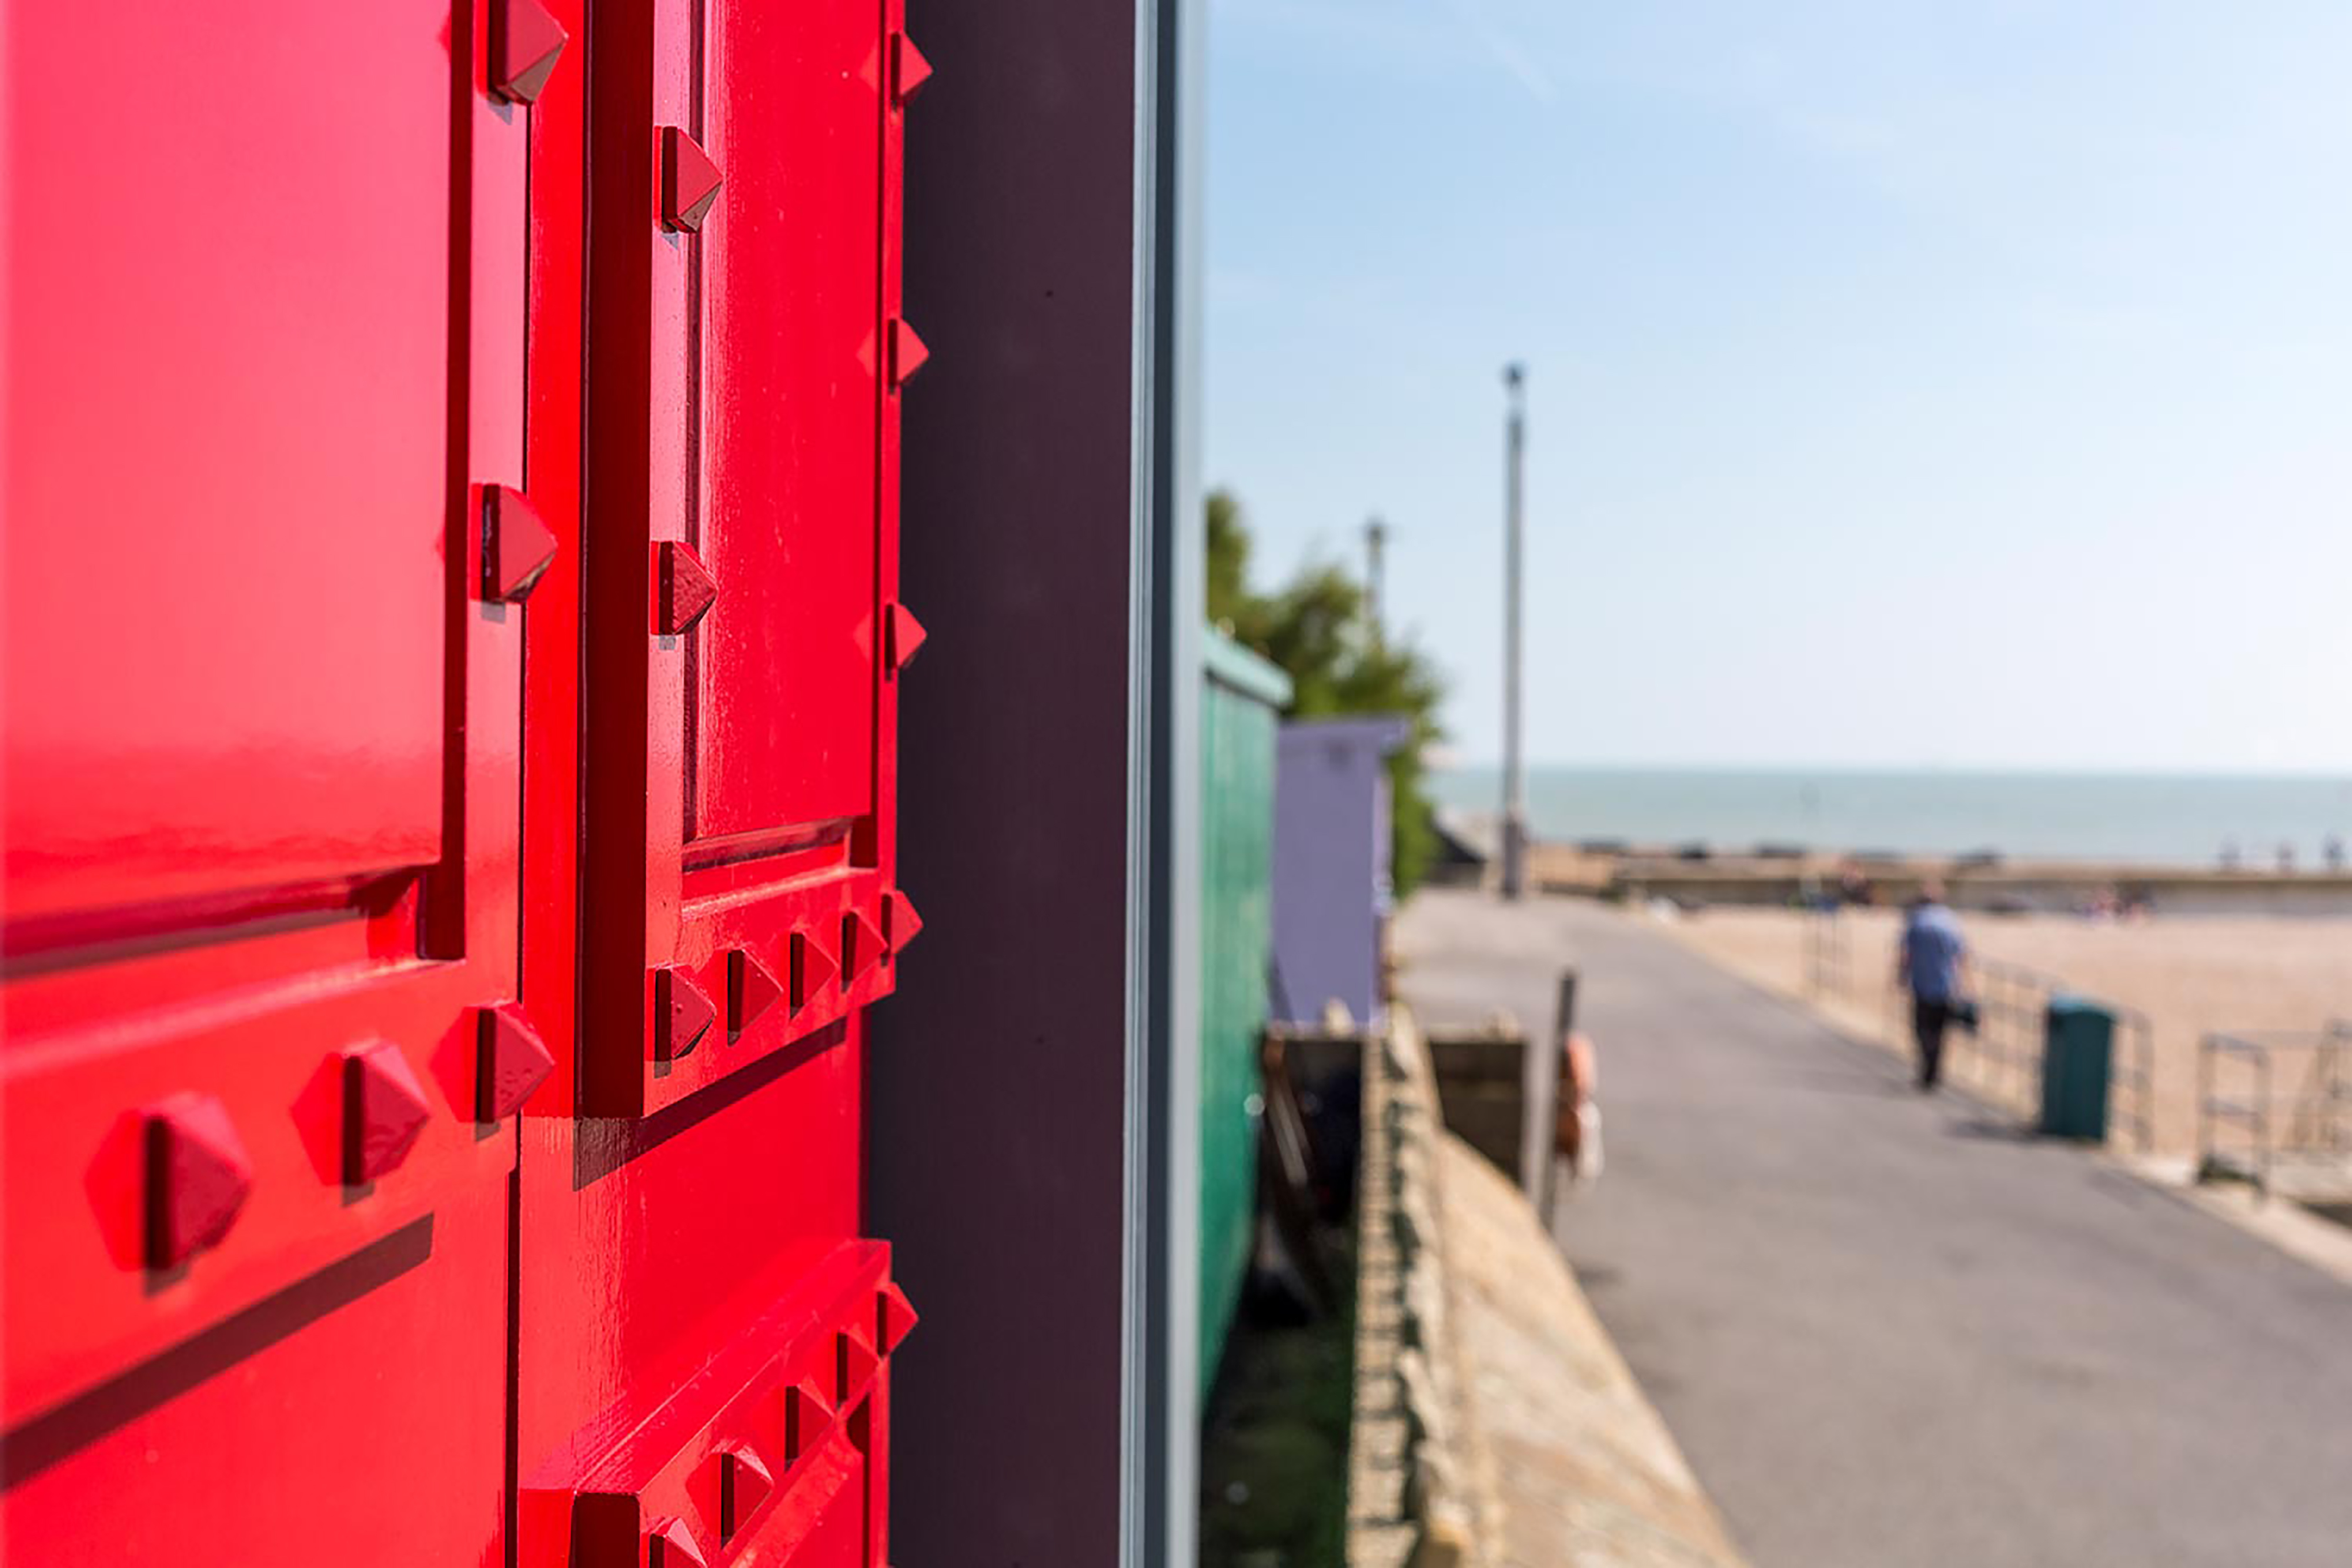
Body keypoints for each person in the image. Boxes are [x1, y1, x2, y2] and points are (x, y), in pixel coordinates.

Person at [1896, 880, 1968, 1090]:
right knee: (1940, 1031)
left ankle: (1927, 1070)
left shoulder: (1917, 920)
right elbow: (1961, 955)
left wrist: (1901, 975)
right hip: (1945, 985)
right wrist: (1965, 985)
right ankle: (1935, 1071)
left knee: (1922, 1030)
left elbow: (1906, 953)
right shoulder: (1951, 921)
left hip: (1921, 984)